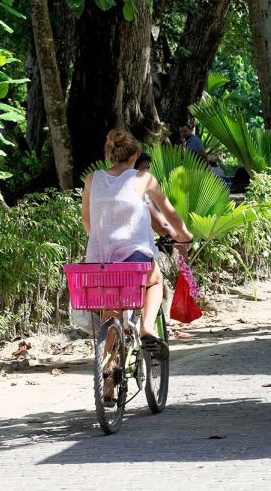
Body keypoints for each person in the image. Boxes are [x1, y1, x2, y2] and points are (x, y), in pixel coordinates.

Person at [82, 130, 193, 367]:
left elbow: (86, 221)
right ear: (134, 156)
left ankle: (108, 384)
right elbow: (169, 214)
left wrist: (104, 240)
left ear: (109, 155)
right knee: (155, 280)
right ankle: (148, 328)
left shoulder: (92, 179)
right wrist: (184, 235)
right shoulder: (143, 178)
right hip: (134, 255)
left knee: (110, 313)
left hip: (98, 260)